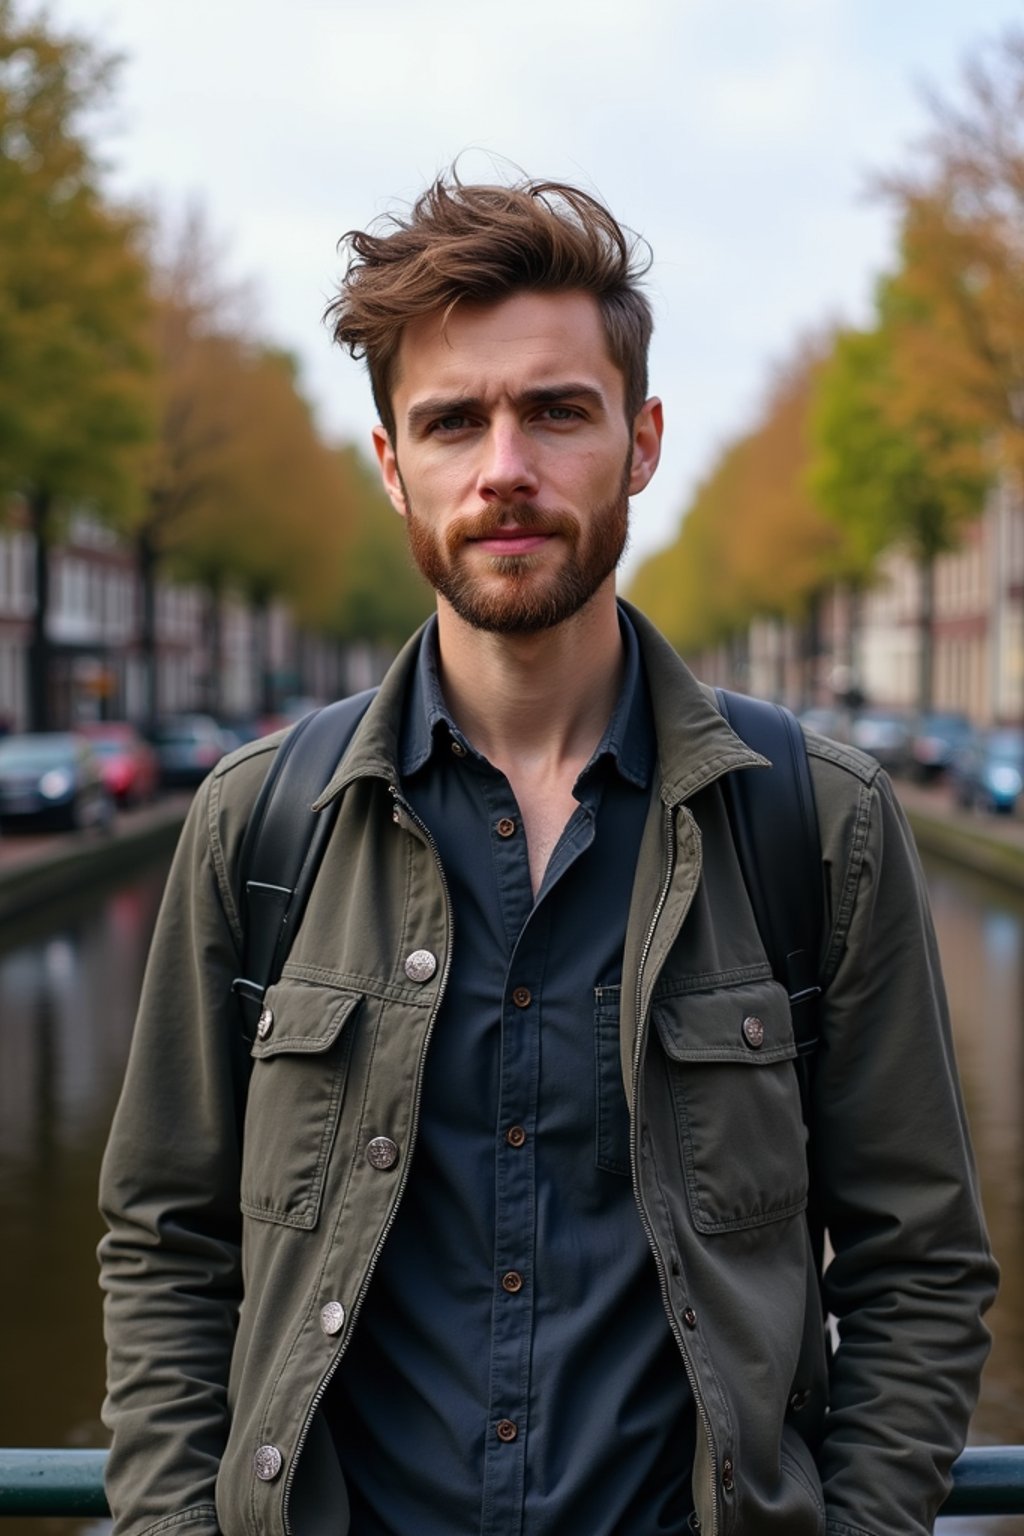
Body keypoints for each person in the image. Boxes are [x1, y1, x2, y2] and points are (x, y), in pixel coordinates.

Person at [99, 172, 997, 1536]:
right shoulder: (258, 823)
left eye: (556, 411)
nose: (504, 468)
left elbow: (919, 1265)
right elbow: (166, 1247)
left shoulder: (818, 824)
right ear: (395, 466)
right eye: (453, 421)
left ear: (639, 442)